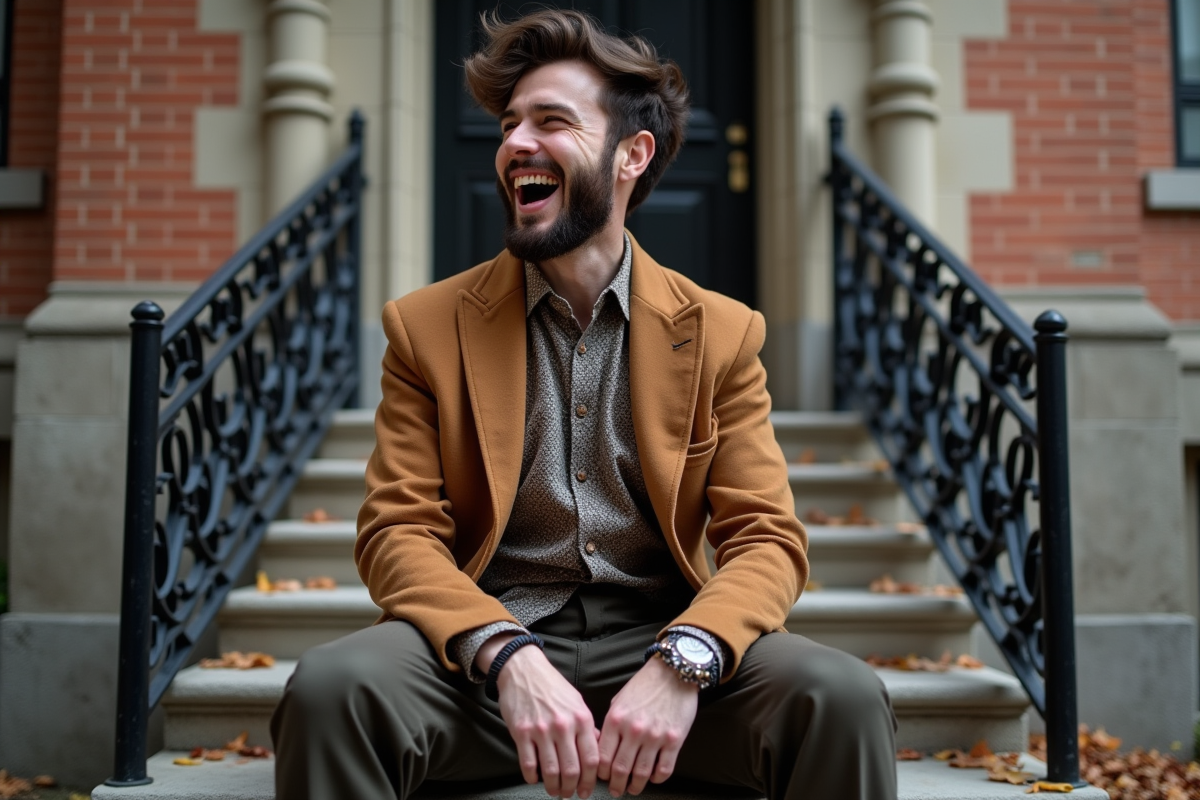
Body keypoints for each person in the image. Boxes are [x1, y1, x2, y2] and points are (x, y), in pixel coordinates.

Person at [271, 9, 897, 800]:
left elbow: (767, 538)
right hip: (483, 660)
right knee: (332, 691)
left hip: (662, 643)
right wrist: (504, 654)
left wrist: (685, 659)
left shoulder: (723, 333)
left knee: (839, 699)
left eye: (550, 121)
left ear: (632, 155)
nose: (514, 145)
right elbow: (397, 533)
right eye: (508, 126)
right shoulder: (424, 329)